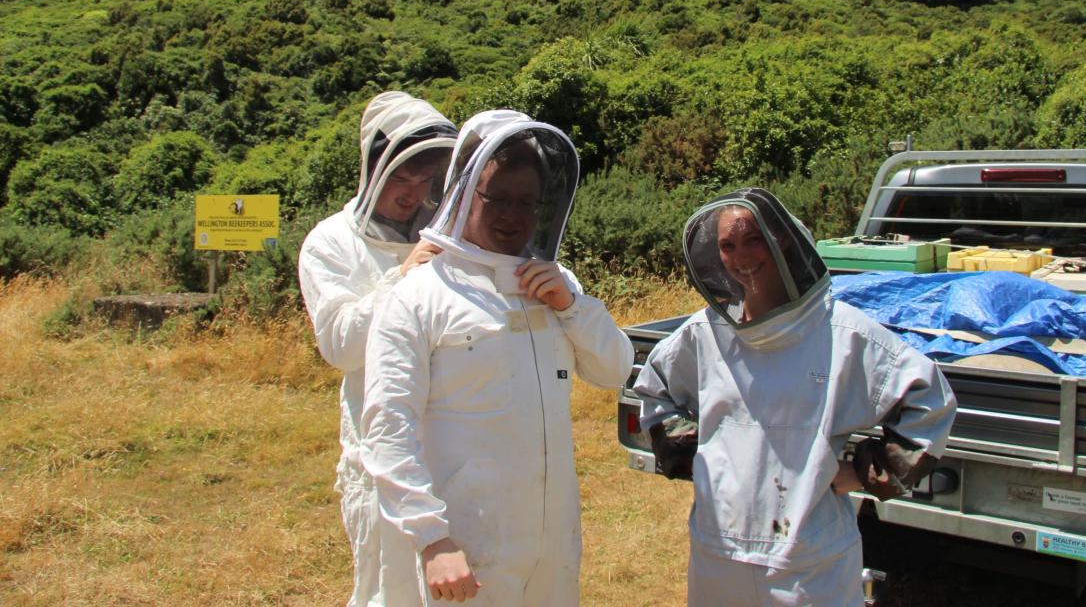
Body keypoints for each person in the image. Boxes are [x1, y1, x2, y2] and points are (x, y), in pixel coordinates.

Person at [361, 110, 634, 606]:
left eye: (527, 202)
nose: (513, 215)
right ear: (464, 194)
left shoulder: (554, 281)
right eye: (498, 199)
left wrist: (574, 309)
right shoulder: (419, 293)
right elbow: (387, 425)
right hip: (466, 547)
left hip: (552, 544)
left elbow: (615, 369)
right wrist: (432, 538)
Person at [634, 188, 956, 607]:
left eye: (753, 240)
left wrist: (861, 473)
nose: (742, 257)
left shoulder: (842, 332)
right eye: (727, 246)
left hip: (809, 563)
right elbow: (656, 392)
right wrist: (710, 460)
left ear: (782, 238)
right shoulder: (704, 333)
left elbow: (929, 400)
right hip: (718, 554)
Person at [299, 92, 457, 607]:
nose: (412, 195)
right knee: (387, 594)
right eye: (400, 180)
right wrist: (403, 275)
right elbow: (341, 345)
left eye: (424, 182)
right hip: (379, 461)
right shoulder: (330, 242)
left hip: (456, 454)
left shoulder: (447, 236)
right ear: (371, 169)